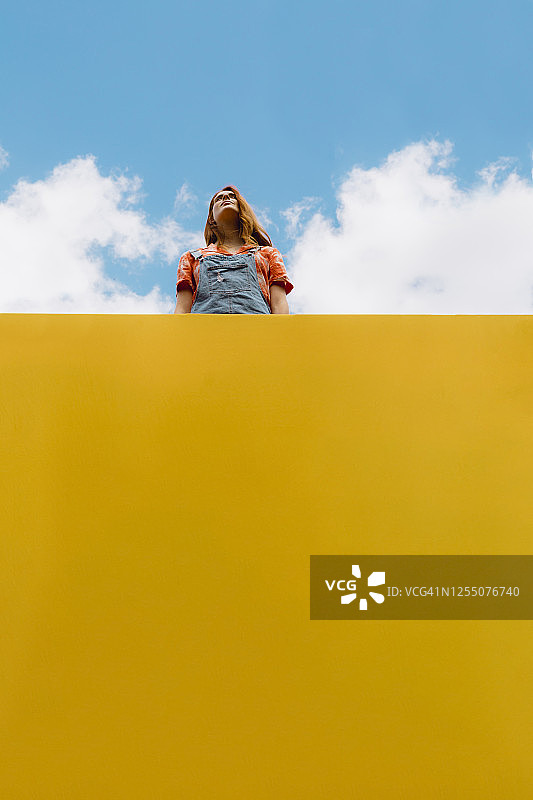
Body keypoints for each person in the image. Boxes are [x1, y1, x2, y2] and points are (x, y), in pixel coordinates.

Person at [174, 186, 293, 314]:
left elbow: (279, 305)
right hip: (206, 327)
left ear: (242, 209)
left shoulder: (268, 254)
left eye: (232, 197)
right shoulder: (191, 258)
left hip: (257, 326)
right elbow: (182, 310)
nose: (225, 197)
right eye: (219, 199)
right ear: (211, 219)